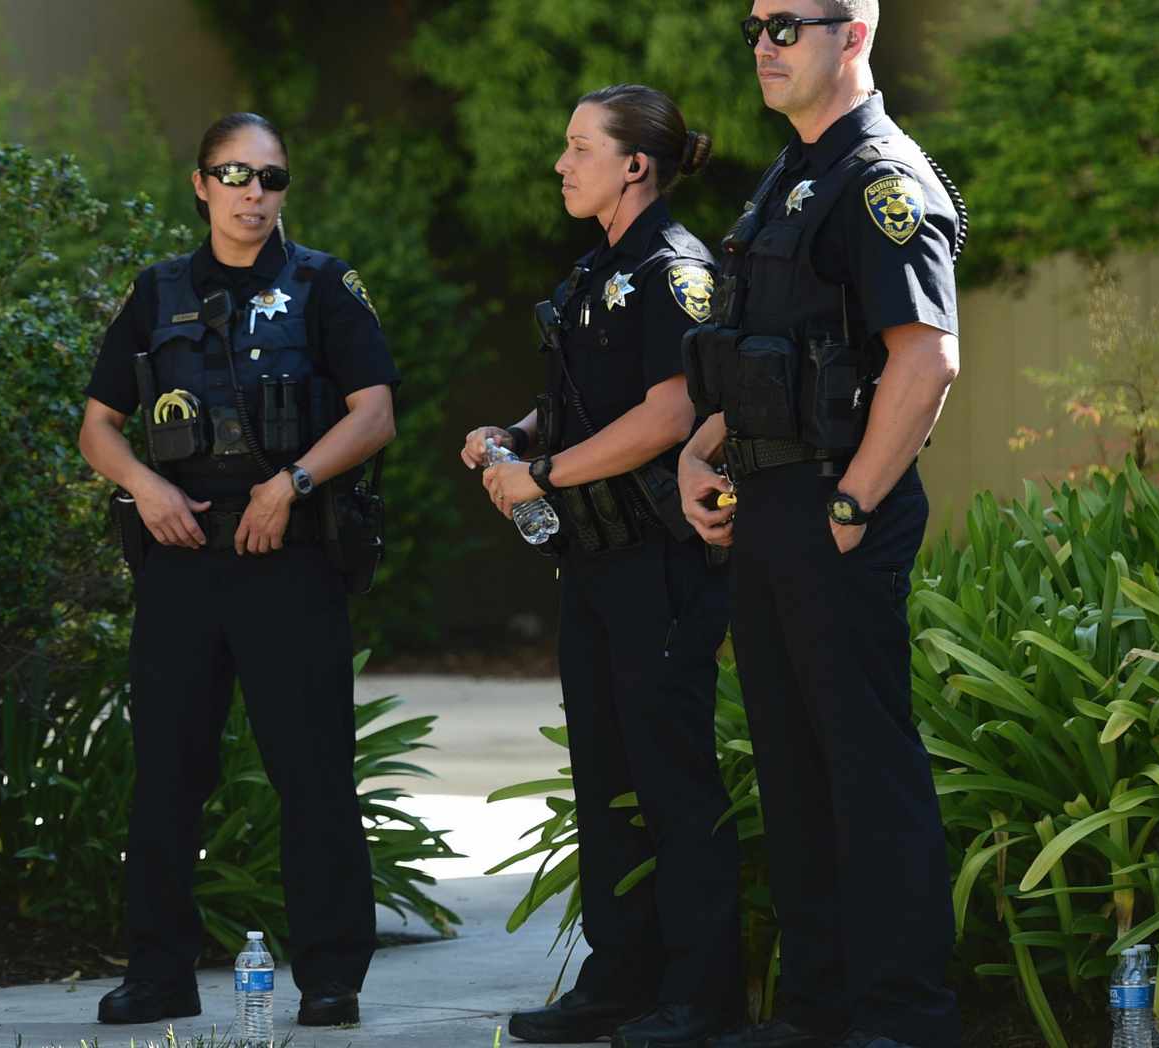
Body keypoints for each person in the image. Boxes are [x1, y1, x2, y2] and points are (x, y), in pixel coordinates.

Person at [675, 3, 966, 1047]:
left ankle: (901, 1017)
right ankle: (816, 1010)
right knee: (793, 766)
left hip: (836, 506)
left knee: (860, 765)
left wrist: (853, 502)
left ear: (851, 37)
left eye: (788, 23)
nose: (762, 41)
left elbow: (923, 358)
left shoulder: (878, 177)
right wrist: (698, 447)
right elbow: (763, 346)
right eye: (753, 23)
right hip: (767, 502)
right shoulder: (788, 176)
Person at [77, 112, 398, 1027]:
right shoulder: (157, 292)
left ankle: (330, 976)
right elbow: (100, 423)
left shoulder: (325, 286)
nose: (255, 194)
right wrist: (145, 486)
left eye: (271, 178)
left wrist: (289, 485)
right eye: (235, 175)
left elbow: (373, 414)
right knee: (166, 774)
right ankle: (158, 974)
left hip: (288, 563)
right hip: (181, 565)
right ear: (201, 183)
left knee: (313, 773)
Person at [467, 86, 744, 1047]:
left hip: (661, 563)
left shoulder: (677, 270)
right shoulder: (598, 270)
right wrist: (514, 434)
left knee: (672, 781)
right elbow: (589, 405)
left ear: (636, 165)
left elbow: (671, 414)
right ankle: (619, 977)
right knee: (606, 779)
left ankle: (703, 994)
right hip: (594, 559)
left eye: (580, 147)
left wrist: (539, 475)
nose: (561, 162)